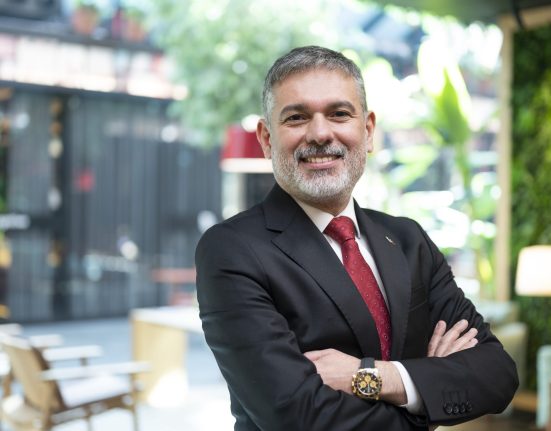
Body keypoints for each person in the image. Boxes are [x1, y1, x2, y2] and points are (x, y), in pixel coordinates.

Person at [195, 46, 518, 430]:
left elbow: (497, 374)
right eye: (296, 117)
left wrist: (373, 377)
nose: (320, 133)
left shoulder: (408, 239)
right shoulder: (232, 250)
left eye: (339, 114)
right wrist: (427, 393)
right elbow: (298, 417)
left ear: (367, 131)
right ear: (266, 138)